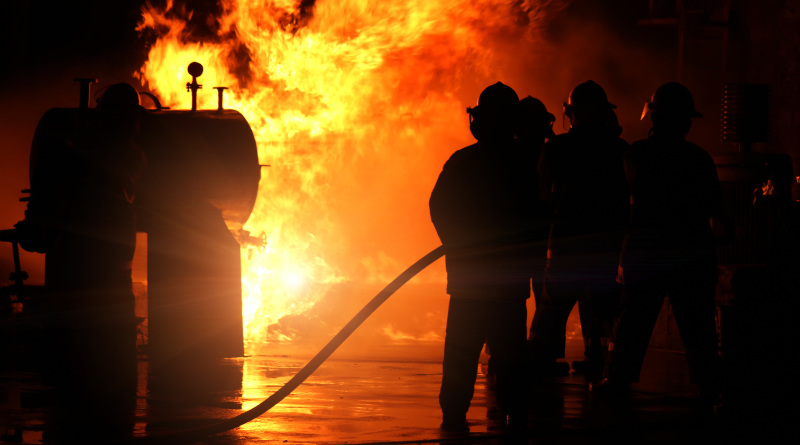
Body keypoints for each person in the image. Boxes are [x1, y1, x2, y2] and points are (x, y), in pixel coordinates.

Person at [16, 83, 146, 408]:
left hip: (87, 289)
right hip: (109, 290)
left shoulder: (91, 157)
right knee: (111, 391)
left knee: (79, 391)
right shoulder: (128, 159)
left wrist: (38, 227)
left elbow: (49, 223)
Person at [600, 82, 721, 406]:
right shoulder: (699, 158)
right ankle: (709, 386)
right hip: (690, 251)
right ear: (684, 121)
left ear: (653, 116)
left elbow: (618, 201)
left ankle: (618, 380)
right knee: (698, 325)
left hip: (646, 251)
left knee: (634, 322)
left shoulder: (636, 153)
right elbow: (713, 207)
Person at [430, 82, 542, 431]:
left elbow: (438, 208)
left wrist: (457, 246)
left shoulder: (461, 162)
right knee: (511, 359)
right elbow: (536, 221)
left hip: (469, 284)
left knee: (462, 357)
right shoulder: (523, 166)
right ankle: (516, 416)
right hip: (507, 287)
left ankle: (453, 418)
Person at [529, 81, 629, 380]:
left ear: (570, 112)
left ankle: (542, 364)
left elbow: (542, 195)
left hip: (565, 246)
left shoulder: (557, 148)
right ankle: (603, 362)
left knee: (553, 307)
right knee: (604, 308)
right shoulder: (620, 150)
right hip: (607, 244)